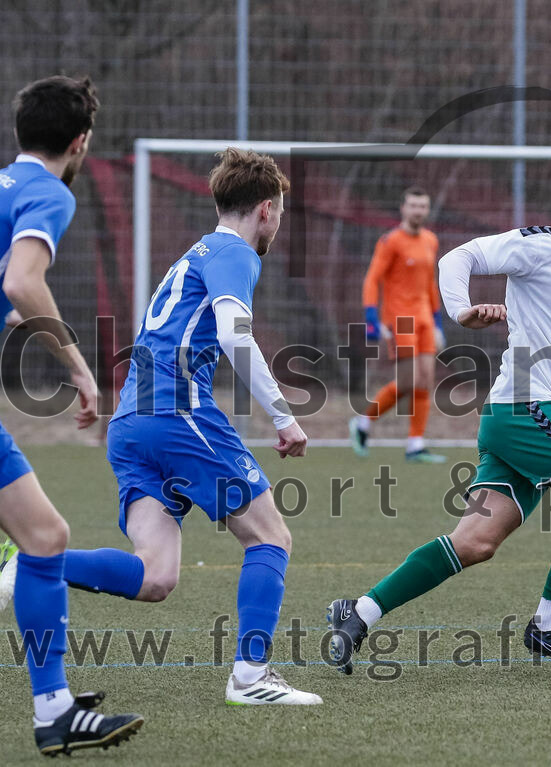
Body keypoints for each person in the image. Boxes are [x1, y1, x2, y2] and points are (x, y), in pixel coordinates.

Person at [3, 148, 322, 706]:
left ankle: (26, 565)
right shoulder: (235, 252)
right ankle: (250, 677)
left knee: (155, 577)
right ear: (266, 209)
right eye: (281, 216)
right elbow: (235, 334)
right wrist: (284, 415)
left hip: (131, 423)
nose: (278, 226)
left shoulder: (193, 253)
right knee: (271, 535)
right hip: (177, 413)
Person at [328, 167, 551, 671]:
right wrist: (461, 311)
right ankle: (549, 625)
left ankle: (358, 612)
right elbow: (458, 258)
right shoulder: (538, 247)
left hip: (524, 421)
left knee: (475, 542)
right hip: (523, 407)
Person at [0, 75, 144, 755]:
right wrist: (80, 368)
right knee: (43, 537)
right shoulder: (46, 193)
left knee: (45, 536)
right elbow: (23, 281)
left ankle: (55, 708)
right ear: (80, 141)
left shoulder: (3, 184)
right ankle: (53, 709)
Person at [348, 186, 447, 463]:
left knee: (425, 381)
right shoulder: (390, 241)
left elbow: (429, 284)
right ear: (403, 209)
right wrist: (371, 317)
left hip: (426, 319)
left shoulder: (430, 240)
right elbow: (372, 279)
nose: (418, 211)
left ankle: (415, 444)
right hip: (401, 320)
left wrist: (438, 322)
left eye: (423, 206)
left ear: (427, 210)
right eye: (413, 205)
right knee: (408, 381)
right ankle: (363, 422)